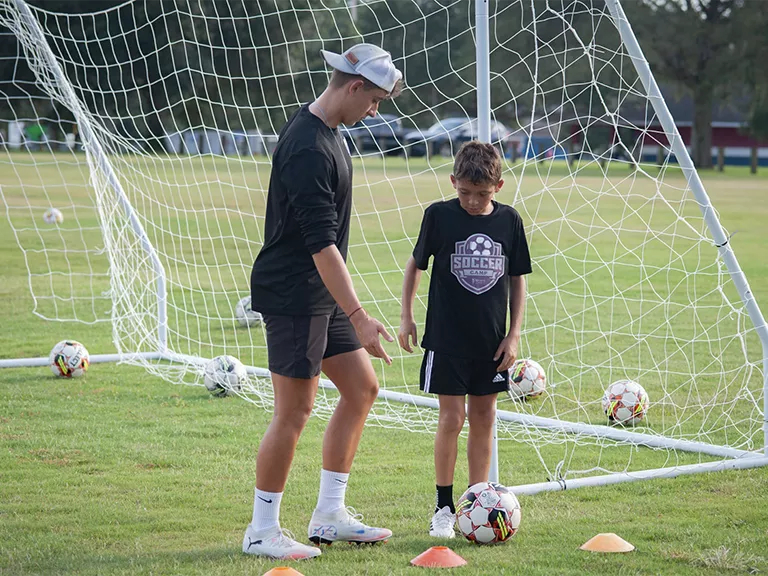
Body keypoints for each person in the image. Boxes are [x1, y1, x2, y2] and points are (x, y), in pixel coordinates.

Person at [243, 44, 403, 560]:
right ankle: (261, 530)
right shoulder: (309, 147)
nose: (374, 111)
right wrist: (357, 315)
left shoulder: (330, 132)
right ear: (353, 86)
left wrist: (347, 310)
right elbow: (320, 243)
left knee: (361, 387)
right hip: (294, 293)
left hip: (320, 293)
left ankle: (329, 516)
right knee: (295, 410)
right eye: (374, 100)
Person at [398, 141, 531, 538]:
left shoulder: (509, 222)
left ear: (499, 187)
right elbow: (415, 265)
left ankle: (478, 500)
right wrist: (406, 317)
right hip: (446, 340)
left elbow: (517, 279)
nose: (473, 201)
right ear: (453, 182)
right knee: (452, 418)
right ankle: (442, 507)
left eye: (482, 194)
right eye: (465, 192)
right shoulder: (439, 216)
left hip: (490, 344)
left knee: (484, 419)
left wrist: (514, 333)